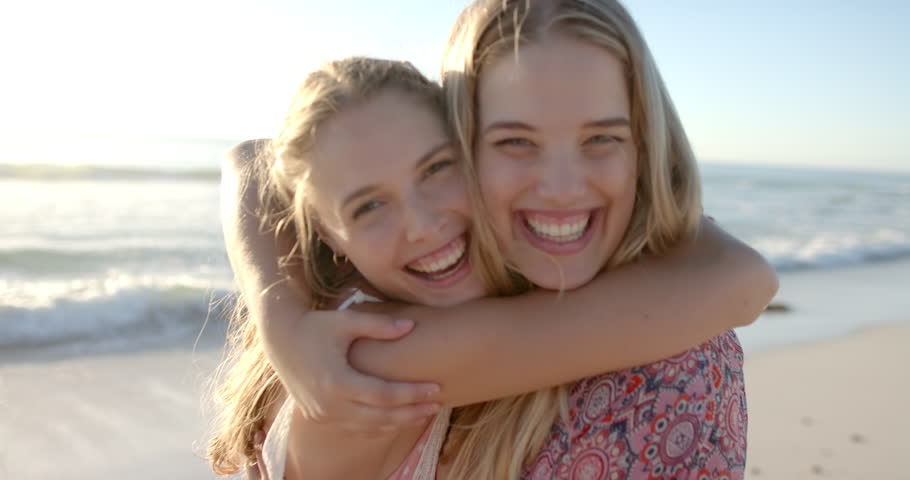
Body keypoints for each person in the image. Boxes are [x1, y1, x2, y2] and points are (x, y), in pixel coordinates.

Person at [211, 2, 778, 478]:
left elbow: (256, 158)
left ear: (644, 148)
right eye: (515, 142)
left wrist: (273, 306)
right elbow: (745, 280)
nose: (424, 225)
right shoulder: (370, 358)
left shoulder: (668, 315)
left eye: (436, 170)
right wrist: (276, 312)